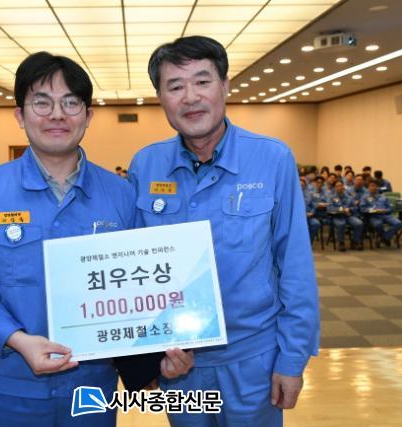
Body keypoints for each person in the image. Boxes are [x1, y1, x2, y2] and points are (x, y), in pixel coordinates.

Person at [0, 51, 191, 427]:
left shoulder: (120, 194)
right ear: (20, 115)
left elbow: (142, 288)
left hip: (92, 387)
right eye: (42, 102)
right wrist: (17, 339)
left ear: (88, 116)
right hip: (12, 385)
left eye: (71, 103)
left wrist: (164, 350)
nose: (57, 115)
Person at [128, 36, 319, 427]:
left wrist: (292, 360)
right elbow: (134, 272)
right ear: (160, 98)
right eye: (175, 86)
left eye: (203, 81)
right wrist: (144, 359)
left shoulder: (272, 158)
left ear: (225, 86)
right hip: (177, 362)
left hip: (254, 360)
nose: (190, 97)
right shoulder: (145, 166)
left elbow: (295, 266)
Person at [360, 179, 402, 247]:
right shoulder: (364, 197)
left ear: (377, 187)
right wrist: (373, 210)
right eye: (371, 186)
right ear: (368, 187)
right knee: (378, 224)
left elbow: (390, 208)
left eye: (375, 186)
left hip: (385, 215)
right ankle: (385, 238)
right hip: (373, 216)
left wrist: (385, 210)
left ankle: (384, 238)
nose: (373, 187)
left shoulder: (383, 197)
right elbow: (362, 209)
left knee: (398, 223)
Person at [327, 181, 364, 251]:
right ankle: (341, 243)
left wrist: (350, 209)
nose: (339, 187)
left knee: (359, 223)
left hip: (348, 216)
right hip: (337, 216)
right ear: (335, 188)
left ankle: (355, 241)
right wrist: (341, 210)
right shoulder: (331, 197)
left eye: (341, 186)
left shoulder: (349, 197)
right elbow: (329, 208)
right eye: (337, 186)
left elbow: (355, 208)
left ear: (343, 187)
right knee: (341, 224)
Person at [301, 178, 320, 245]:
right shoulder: (292, 195)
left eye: (302, 185)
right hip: (296, 218)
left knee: (316, 223)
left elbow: (313, 206)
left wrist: (311, 213)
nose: (301, 186)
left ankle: (308, 243)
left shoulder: (309, 195)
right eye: (299, 185)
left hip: (308, 217)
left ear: (305, 186)